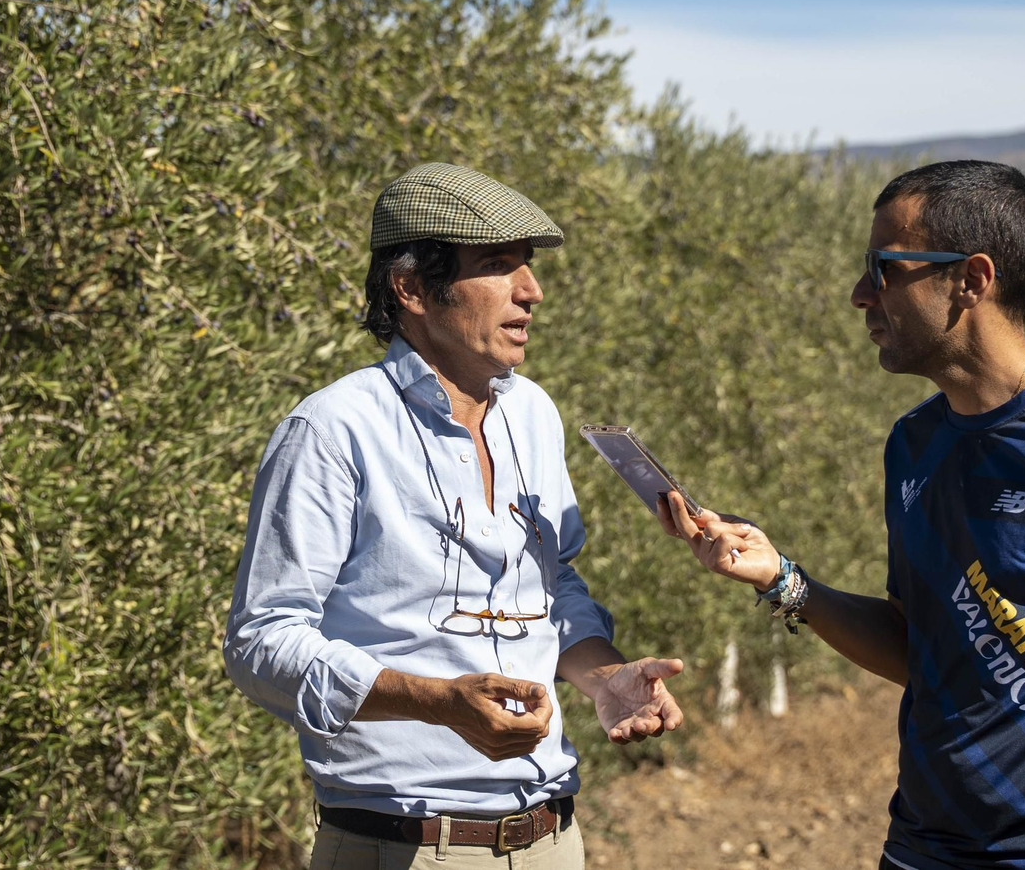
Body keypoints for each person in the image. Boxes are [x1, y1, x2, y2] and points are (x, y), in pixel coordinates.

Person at [656, 160, 1025, 870]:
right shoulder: (914, 444)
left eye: (885, 269)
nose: (860, 293)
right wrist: (783, 578)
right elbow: (921, 646)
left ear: (972, 279)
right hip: (921, 846)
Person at [224, 162, 683, 869]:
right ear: (411, 288)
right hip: (402, 844)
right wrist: (435, 701)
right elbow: (262, 643)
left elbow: (553, 586)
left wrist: (603, 678)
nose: (531, 290)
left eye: (527, 265)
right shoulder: (333, 429)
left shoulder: (532, 413)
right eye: (497, 265)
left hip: (552, 839)